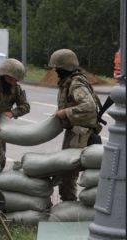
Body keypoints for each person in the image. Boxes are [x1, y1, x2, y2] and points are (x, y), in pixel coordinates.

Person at [49, 49, 102, 201]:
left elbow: (89, 106)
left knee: (69, 171)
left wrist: (65, 112)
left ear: (63, 68)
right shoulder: (70, 81)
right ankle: (69, 203)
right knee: (67, 170)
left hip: (81, 134)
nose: (55, 71)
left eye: (57, 68)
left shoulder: (76, 83)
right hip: (76, 131)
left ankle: (69, 202)